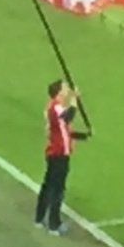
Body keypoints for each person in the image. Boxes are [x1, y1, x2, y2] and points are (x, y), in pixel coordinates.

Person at [35, 80, 89, 234]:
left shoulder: (55, 108)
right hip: (59, 155)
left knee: (48, 186)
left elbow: (65, 131)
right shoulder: (56, 107)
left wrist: (83, 136)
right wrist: (75, 100)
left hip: (55, 153)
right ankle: (54, 224)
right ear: (59, 91)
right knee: (57, 189)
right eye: (65, 88)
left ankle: (39, 218)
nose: (68, 89)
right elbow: (68, 118)